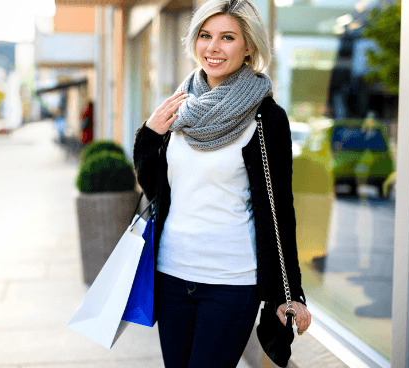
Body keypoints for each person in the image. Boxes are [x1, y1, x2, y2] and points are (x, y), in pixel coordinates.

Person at [132, 0, 311, 367]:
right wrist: (150, 135)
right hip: (171, 273)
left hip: (232, 280)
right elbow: (156, 189)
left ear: (249, 47)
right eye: (205, 35)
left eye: (227, 37)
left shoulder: (266, 119)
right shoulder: (180, 108)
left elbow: (279, 209)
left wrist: (289, 291)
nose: (212, 48)